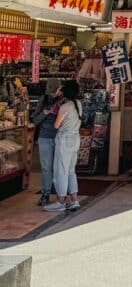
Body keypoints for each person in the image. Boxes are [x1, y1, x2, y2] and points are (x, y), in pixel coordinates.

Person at [43, 80, 81, 213]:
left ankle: (60, 201)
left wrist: (58, 94)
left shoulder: (65, 107)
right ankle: (74, 200)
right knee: (70, 170)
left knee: (61, 170)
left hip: (65, 139)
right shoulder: (78, 104)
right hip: (75, 138)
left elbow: (56, 125)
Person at [31, 78, 61, 207]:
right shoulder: (43, 99)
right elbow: (35, 120)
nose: (52, 94)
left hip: (61, 138)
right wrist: (44, 113)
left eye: (55, 91)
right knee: (46, 167)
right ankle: (45, 194)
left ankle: (61, 195)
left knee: (60, 168)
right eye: (51, 92)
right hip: (44, 138)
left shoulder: (65, 101)